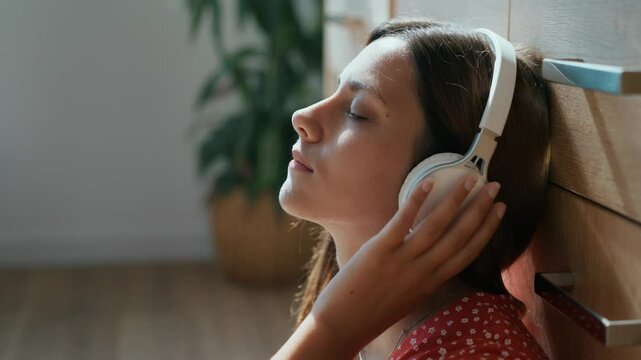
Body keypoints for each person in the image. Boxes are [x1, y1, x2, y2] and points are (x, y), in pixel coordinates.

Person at [272, 19, 550, 360]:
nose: (303, 116)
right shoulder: (359, 318)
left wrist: (332, 329)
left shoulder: (480, 353)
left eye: (357, 113)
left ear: (446, 186)